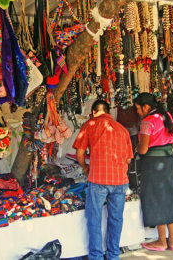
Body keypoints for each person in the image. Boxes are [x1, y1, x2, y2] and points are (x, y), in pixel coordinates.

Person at [73, 99, 133, 260]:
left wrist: (85, 167)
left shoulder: (90, 125)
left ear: (93, 112)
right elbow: (128, 159)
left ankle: (96, 256)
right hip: (120, 180)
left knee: (94, 217)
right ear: (108, 111)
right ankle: (113, 255)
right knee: (116, 218)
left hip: (98, 178)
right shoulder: (122, 129)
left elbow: (79, 154)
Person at [133, 93, 173, 251]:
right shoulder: (166, 115)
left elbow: (143, 149)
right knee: (170, 198)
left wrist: (136, 148)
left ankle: (161, 241)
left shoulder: (147, 121)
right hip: (169, 161)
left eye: (138, 108)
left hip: (154, 164)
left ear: (146, 107)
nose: (137, 112)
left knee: (157, 200)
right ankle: (172, 242)